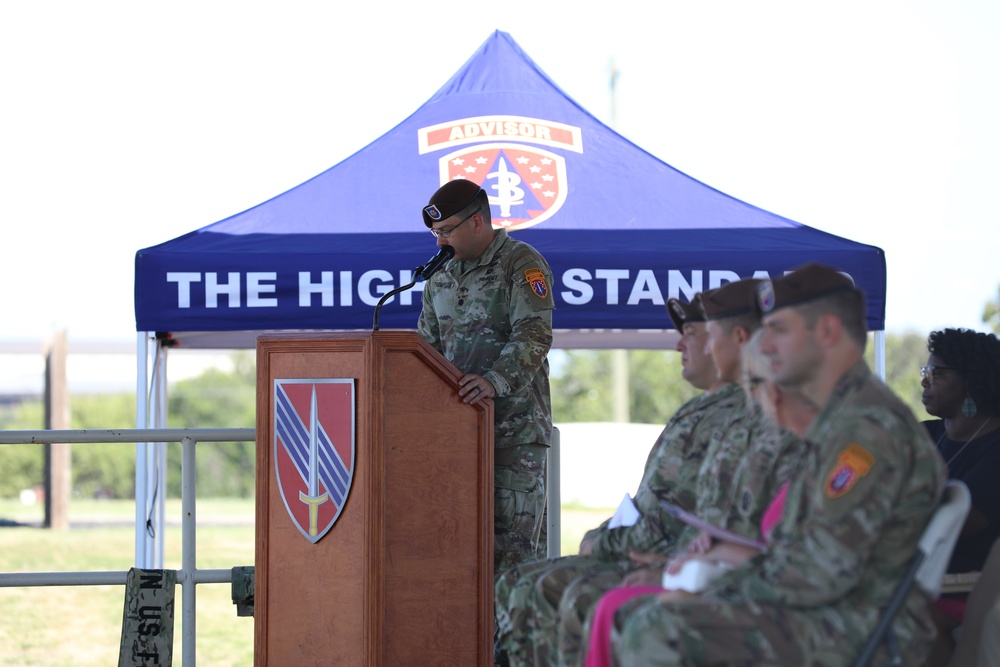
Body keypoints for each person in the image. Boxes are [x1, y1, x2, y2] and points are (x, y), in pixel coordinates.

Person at [608, 262, 946, 666]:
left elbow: (818, 571)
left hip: (856, 624)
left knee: (658, 631)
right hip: (824, 610)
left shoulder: (867, 430)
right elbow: (791, 550)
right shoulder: (838, 420)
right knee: (642, 616)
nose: (764, 346)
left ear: (827, 332)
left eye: (779, 331)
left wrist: (701, 582)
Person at [535, 279, 807, 666]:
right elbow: (719, 519)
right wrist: (689, 559)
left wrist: (685, 569)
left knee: (603, 606)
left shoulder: (791, 419)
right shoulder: (754, 414)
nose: (691, 346)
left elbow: (795, 546)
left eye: (705, 334)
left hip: (763, 594)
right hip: (709, 568)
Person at [494, 292, 747, 666]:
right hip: (646, 548)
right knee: (516, 583)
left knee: (557, 591)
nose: (679, 342)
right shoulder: (702, 408)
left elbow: (684, 516)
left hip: (671, 560)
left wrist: (606, 542)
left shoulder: (738, 414)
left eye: (692, 332)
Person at [582, 327, 818, 667]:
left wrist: (686, 571)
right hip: (737, 579)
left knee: (644, 622)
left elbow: (802, 564)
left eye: (762, 385)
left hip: (786, 609)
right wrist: (706, 548)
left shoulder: (816, 452)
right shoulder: (780, 441)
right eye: (753, 386)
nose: (761, 400)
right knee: (614, 607)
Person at [417, 178, 555, 573]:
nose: (439, 242)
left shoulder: (520, 262)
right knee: (461, 558)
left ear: (477, 223)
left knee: (513, 561)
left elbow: (534, 332)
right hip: (457, 437)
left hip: (513, 435)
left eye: (446, 231)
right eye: (435, 233)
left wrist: (494, 381)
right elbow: (427, 350)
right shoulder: (438, 277)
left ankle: (514, 638)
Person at [918, 328, 1000, 664]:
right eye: (925, 371)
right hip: (910, 574)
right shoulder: (921, 435)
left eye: (936, 373)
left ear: (971, 381)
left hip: (969, 585)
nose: (925, 381)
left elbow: (958, 525)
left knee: (911, 624)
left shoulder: (995, 450)